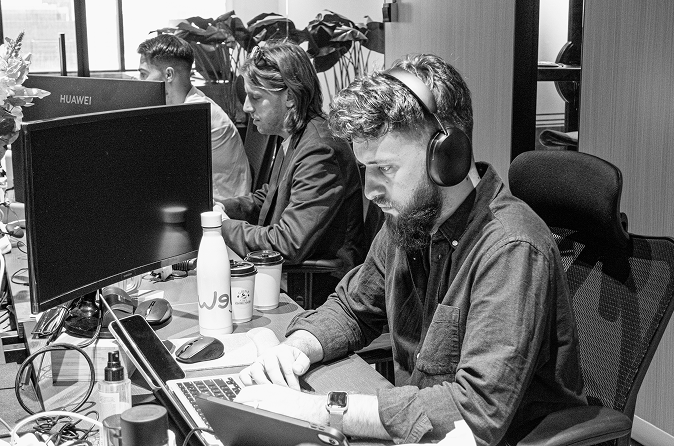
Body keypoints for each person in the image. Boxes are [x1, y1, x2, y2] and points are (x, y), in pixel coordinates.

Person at [234, 54, 586, 445]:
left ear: (447, 156)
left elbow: (476, 410)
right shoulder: (409, 219)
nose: (370, 191)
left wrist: (319, 410)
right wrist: (297, 349)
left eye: (385, 169)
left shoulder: (511, 248)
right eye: (366, 169)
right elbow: (354, 306)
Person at [214, 41, 364, 275]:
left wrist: (222, 227)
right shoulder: (296, 136)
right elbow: (270, 197)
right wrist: (224, 207)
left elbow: (286, 244)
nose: (246, 107)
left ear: (291, 97)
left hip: (317, 289)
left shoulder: (319, 150)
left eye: (255, 97)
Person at [137, 34, 251, 200]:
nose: (140, 82)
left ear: (169, 75)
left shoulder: (196, 114)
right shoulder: (187, 106)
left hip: (222, 211)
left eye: (144, 74)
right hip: (207, 201)